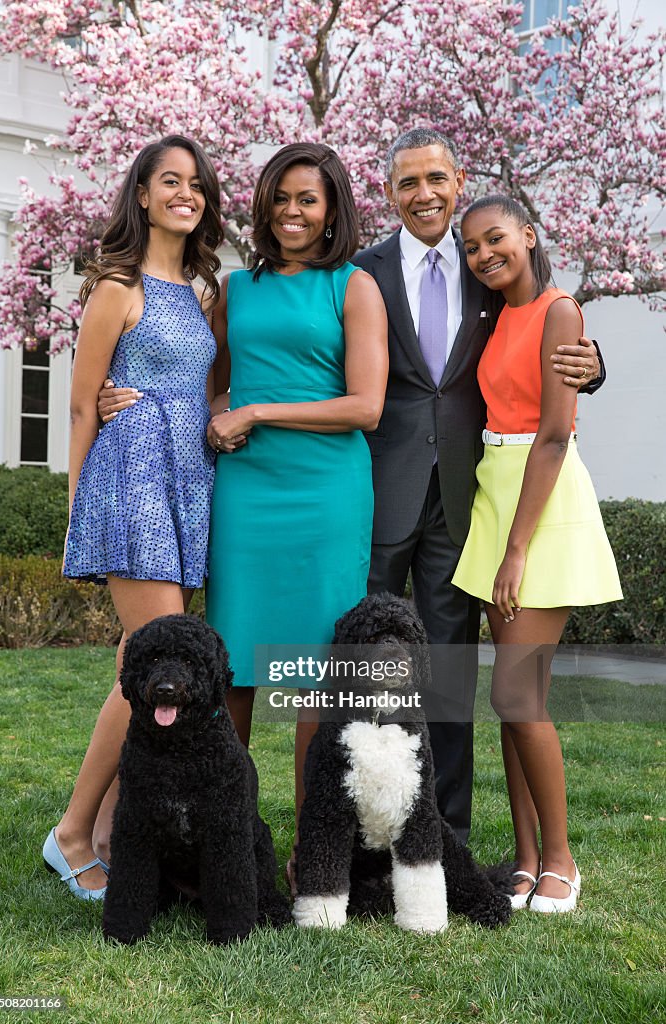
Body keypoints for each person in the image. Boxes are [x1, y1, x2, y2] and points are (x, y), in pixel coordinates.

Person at [352, 128, 604, 842]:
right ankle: (363, 829)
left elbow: (544, 331)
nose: (423, 194)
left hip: (467, 503)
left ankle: (445, 837)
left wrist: (592, 363)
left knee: (448, 677)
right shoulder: (362, 272)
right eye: (407, 182)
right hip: (378, 490)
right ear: (389, 193)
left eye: (434, 178)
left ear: (457, 181)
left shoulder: (485, 264)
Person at [43, 135, 223, 899]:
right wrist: (79, 505)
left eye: (196, 184)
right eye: (169, 181)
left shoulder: (204, 290)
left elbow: (203, 387)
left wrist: (223, 413)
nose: (185, 193)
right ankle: (74, 833)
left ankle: (112, 829)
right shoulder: (115, 285)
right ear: (142, 195)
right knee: (148, 658)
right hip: (132, 477)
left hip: (190, 477)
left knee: (139, 658)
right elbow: (84, 402)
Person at [205, 143, 388, 883]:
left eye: (307, 199)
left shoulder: (355, 286)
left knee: (316, 671)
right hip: (247, 491)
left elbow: (366, 407)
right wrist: (218, 410)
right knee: (234, 667)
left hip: (325, 492)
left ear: (332, 209)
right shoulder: (234, 289)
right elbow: (211, 387)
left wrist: (258, 410)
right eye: (280, 197)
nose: (291, 211)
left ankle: (312, 856)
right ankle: (226, 849)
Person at [452, 194, 621, 911]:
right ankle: (522, 861)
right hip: (495, 491)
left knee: (514, 695)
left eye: (495, 239)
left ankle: (559, 860)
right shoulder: (493, 314)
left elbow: (553, 434)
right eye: (470, 248)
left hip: (539, 501)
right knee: (517, 699)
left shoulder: (559, 308)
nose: (484, 254)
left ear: (528, 233)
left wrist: (515, 550)